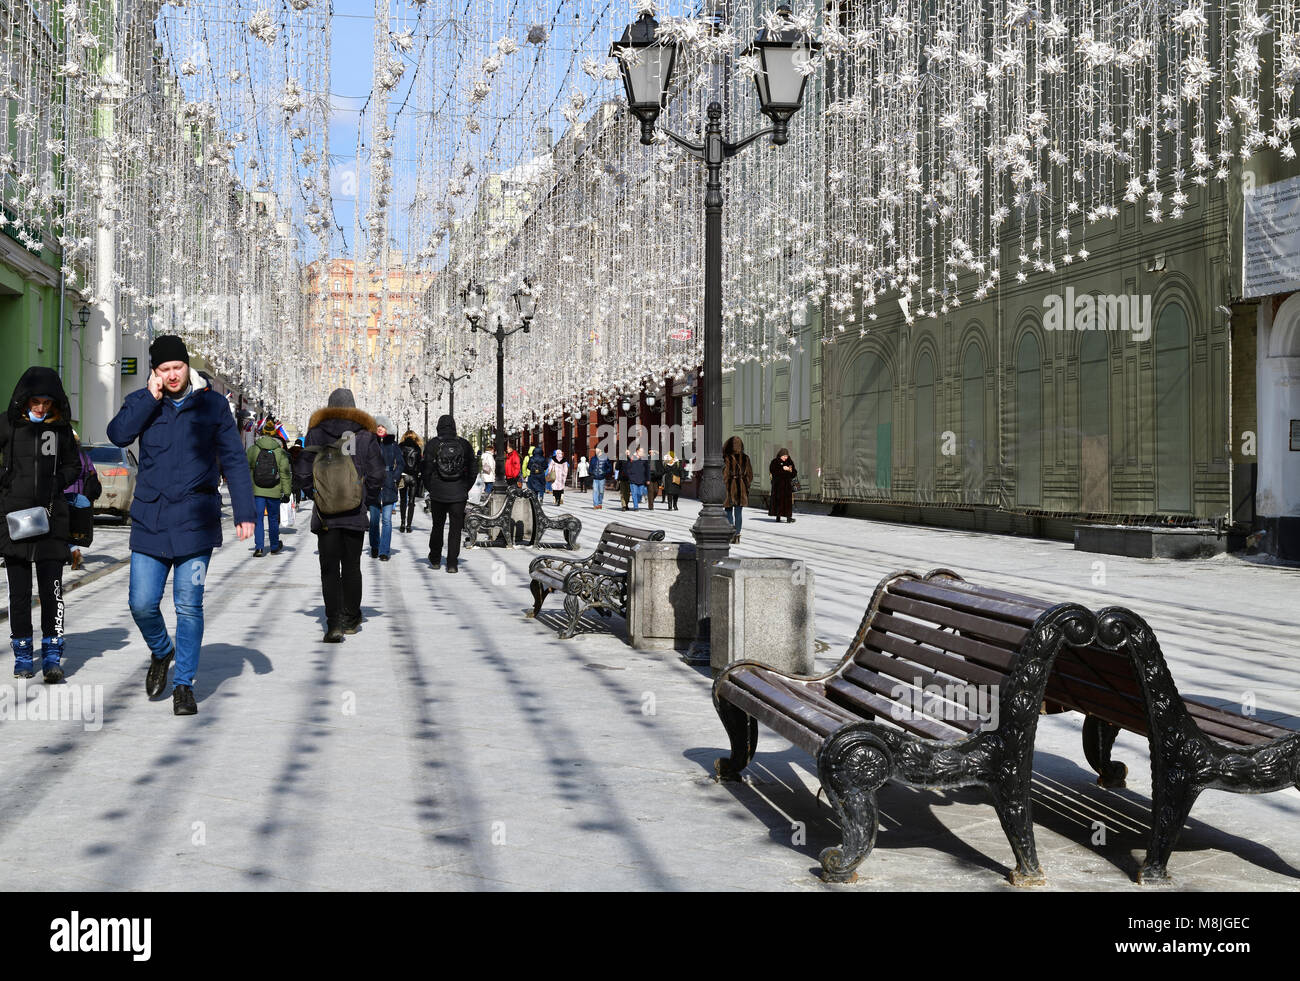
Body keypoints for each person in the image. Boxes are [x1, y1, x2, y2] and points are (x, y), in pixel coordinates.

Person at [107, 336, 256, 713]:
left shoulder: (214, 405)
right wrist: (147, 398)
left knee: (188, 605)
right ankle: (162, 650)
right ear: (155, 373)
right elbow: (118, 434)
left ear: (187, 366)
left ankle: (184, 684)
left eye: (177, 367)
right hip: (150, 521)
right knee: (141, 604)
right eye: (164, 370)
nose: (173, 375)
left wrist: (245, 512)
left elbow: (235, 460)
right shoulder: (145, 404)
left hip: (195, 522)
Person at [1, 367, 81, 683]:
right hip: (14, 523)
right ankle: (22, 654)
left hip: (51, 522)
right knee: (19, 595)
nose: (41, 408)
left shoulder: (60, 430)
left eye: (47, 402)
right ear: (24, 399)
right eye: (36, 401)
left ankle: (52, 654)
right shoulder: (7, 425)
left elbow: (75, 466)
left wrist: (57, 481)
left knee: (52, 593)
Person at [294, 387, 385, 643]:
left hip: (326, 516)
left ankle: (333, 624)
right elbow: (378, 474)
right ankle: (351, 618)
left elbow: (301, 471)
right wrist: (364, 498)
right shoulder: (365, 435)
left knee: (329, 569)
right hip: (355, 513)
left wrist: (316, 495)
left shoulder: (316, 433)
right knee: (352, 567)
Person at [422, 414, 476, 573]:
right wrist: (465, 487)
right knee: (455, 529)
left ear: (438, 426)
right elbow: (473, 469)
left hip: (438, 491)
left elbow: (425, 470)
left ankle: (435, 558)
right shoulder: (464, 444)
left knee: (437, 525)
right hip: (458, 492)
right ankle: (452, 562)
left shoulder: (433, 444)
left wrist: (431, 487)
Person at [246, 419, 292, 556]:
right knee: (273, 518)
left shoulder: (253, 449)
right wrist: (287, 492)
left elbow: (246, 469)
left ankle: (259, 547)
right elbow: (284, 473)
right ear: (274, 434)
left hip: (257, 490)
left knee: (258, 518)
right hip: (274, 490)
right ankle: (273, 546)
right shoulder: (280, 452)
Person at [64, 432, 99, 572]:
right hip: (80, 497)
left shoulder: (64, 455)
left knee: (62, 527)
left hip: (64, 494)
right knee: (73, 528)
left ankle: (74, 552)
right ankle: (72, 552)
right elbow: (93, 474)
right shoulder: (84, 455)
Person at [369, 415, 401, 560]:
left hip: (388, 484)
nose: (380, 428)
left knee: (387, 520)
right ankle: (375, 546)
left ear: (387, 429)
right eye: (378, 426)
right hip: (373, 484)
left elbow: (401, 463)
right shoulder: (370, 444)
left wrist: (394, 477)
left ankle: (384, 550)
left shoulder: (393, 445)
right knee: (374, 520)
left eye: (383, 426)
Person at [723, 435, 753, 544]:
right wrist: (746, 485)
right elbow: (750, 475)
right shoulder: (746, 458)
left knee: (728, 512)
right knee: (739, 513)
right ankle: (737, 534)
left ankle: (731, 533)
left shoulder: (726, 458)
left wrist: (724, 485)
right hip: (741, 488)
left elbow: (725, 475)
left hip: (729, 487)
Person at [397, 429, 423, 533]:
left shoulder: (400, 447)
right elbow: (419, 464)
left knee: (403, 500)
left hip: (402, 476)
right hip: (413, 477)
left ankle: (402, 523)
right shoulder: (417, 448)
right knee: (411, 502)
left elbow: (397, 461)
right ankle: (409, 525)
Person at [768, 448, 798, 523]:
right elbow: (773, 471)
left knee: (787, 502)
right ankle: (778, 516)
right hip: (778, 485)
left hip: (787, 485)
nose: (785, 458)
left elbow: (794, 473)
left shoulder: (790, 462)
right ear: (780, 455)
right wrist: (782, 469)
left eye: (786, 456)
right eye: (784, 456)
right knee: (778, 501)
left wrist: (789, 470)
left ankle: (788, 517)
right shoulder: (775, 462)